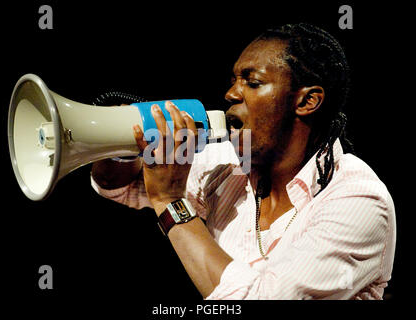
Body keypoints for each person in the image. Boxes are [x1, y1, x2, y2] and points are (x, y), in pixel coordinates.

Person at [91, 23, 396, 299]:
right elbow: (116, 182)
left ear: (306, 101)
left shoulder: (358, 200)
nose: (230, 93)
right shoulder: (226, 164)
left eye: (252, 82)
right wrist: (126, 132)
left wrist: (171, 202)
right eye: (234, 80)